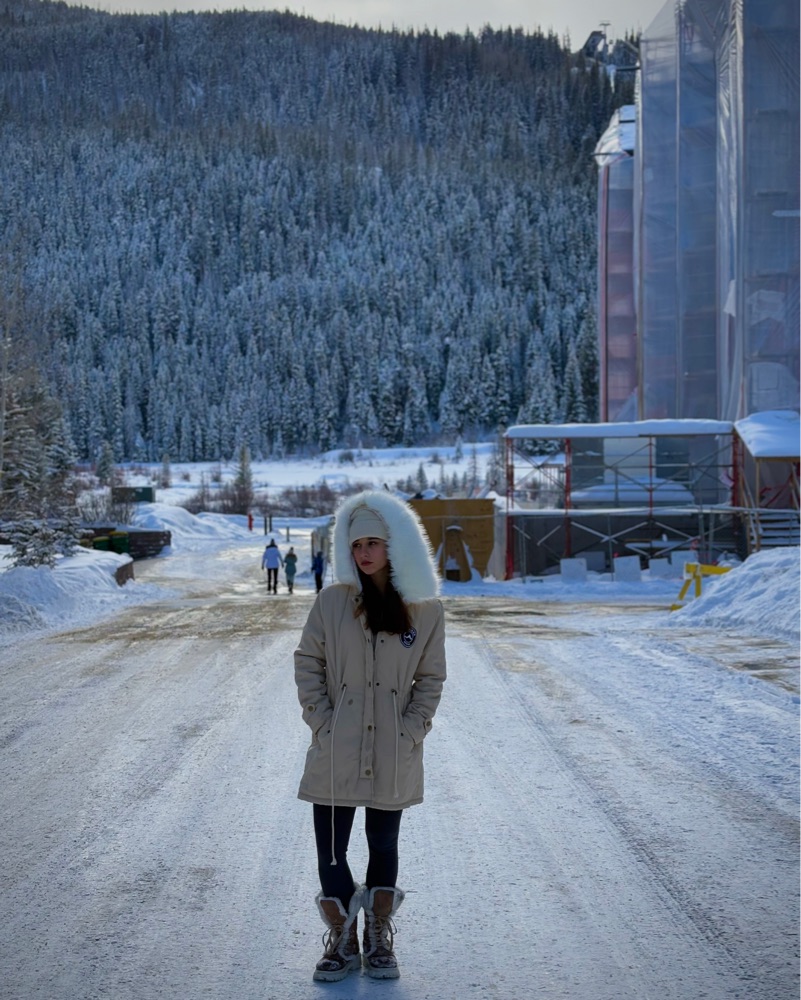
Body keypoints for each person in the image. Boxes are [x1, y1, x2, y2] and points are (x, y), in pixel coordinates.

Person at [294, 490, 446, 983]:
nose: (364, 553)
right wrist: (322, 720)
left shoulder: (425, 610)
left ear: (395, 545)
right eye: (356, 544)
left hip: (392, 750)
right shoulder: (332, 602)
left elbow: (432, 678)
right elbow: (307, 661)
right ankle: (343, 939)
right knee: (331, 850)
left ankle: (379, 933)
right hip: (336, 748)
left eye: (373, 543)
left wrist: (411, 729)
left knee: (383, 843)